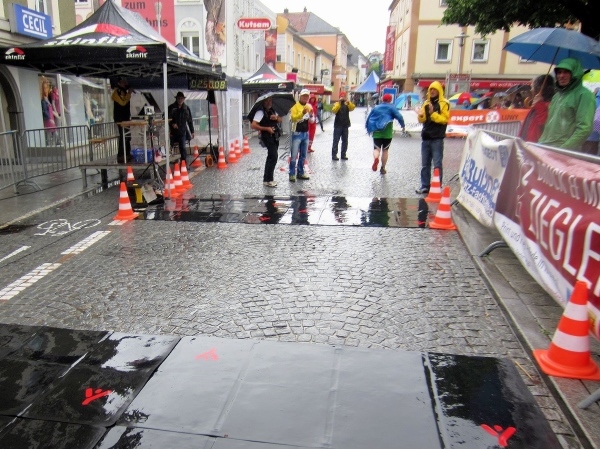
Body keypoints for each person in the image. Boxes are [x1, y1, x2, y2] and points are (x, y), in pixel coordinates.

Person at [538, 58, 596, 151]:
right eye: (559, 72)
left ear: (575, 74)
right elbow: (550, 124)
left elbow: (584, 129)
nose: (561, 76)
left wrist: (564, 149)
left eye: (566, 72)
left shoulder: (584, 95)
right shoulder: (556, 96)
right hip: (545, 147)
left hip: (562, 151)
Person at [415, 81, 450, 194]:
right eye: (431, 89)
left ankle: (437, 186)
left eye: (434, 89)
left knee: (437, 164)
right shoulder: (426, 103)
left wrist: (433, 113)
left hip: (437, 138)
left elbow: (444, 119)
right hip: (426, 137)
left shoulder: (444, 104)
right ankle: (425, 186)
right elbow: (423, 120)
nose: (432, 91)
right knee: (425, 164)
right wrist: (420, 115)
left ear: (439, 91)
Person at [365, 93, 406, 174]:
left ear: (382, 99)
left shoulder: (376, 108)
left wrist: (368, 128)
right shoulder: (391, 108)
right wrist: (402, 125)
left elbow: (369, 118)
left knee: (376, 149)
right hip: (387, 132)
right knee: (385, 150)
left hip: (377, 131)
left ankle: (376, 158)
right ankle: (383, 168)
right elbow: (399, 117)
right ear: (390, 100)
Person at [250, 95, 282, 187]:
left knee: (271, 157)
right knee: (273, 156)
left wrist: (276, 118)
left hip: (275, 135)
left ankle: (267, 179)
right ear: (263, 102)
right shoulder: (260, 112)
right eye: (267, 101)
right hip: (267, 136)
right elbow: (253, 125)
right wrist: (266, 129)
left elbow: (280, 119)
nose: (269, 103)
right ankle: (269, 179)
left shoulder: (273, 110)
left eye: (270, 101)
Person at [520, 75, 555, 143]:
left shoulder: (549, 106)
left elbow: (543, 124)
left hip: (535, 145)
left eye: (532, 87)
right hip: (527, 144)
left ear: (539, 89)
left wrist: (540, 104)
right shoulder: (537, 106)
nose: (531, 90)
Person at [288, 89, 312, 182]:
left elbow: (312, 121)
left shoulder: (309, 106)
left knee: (303, 155)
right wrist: (302, 113)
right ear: (300, 97)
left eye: (307, 96)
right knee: (294, 155)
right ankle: (292, 174)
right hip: (297, 132)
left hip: (306, 133)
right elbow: (293, 118)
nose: (305, 98)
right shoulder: (294, 106)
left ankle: (300, 172)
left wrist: (311, 115)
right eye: (304, 96)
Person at [169, 91, 195, 166]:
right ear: (176, 99)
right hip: (173, 132)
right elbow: (167, 119)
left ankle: (184, 164)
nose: (180, 100)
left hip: (182, 132)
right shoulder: (171, 108)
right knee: (169, 147)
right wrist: (172, 124)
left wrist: (192, 131)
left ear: (183, 99)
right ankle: (169, 163)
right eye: (179, 98)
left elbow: (190, 121)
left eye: (181, 98)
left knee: (183, 148)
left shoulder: (186, 108)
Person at [112, 76, 133, 163]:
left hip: (126, 118)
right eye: (123, 82)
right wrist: (129, 94)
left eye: (126, 82)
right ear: (119, 83)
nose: (125, 84)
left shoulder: (124, 91)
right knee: (123, 136)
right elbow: (122, 103)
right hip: (120, 118)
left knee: (127, 136)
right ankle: (121, 155)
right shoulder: (116, 92)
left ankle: (127, 153)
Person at [331, 92, 355, 160]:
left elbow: (352, 108)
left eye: (344, 96)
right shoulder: (336, 104)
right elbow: (334, 111)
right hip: (338, 125)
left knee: (345, 141)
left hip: (345, 125)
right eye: (341, 96)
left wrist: (348, 102)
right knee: (336, 140)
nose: (343, 98)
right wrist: (339, 103)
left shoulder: (347, 104)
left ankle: (343, 154)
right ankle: (334, 155)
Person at [40, 77, 60, 145]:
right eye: (44, 88)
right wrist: (49, 119)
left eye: (46, 88)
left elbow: (51, 110)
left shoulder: (47, 99)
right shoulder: (43, 101)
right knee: (50, 135)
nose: (45, 89)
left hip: (51, 119)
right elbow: (45, 111)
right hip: (48, 120)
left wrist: (57, 115)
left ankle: (53, 145)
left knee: (55, 134)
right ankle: (51, 146)